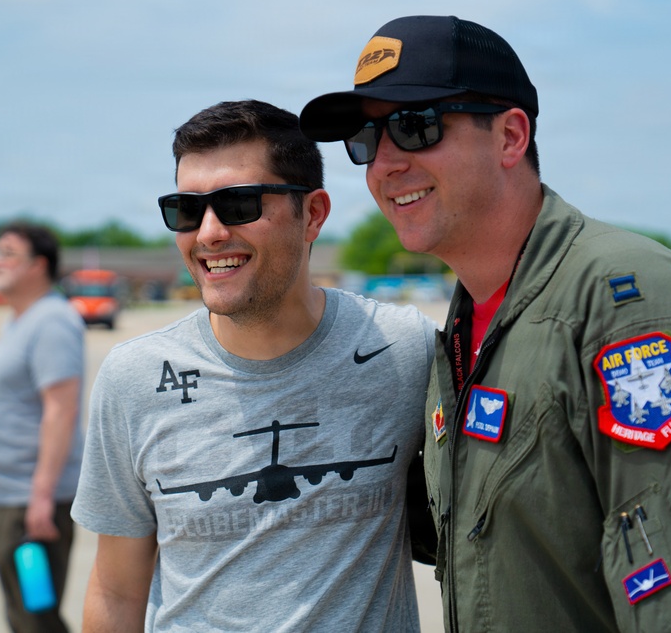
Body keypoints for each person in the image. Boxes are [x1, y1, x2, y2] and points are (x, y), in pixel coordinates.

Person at [299, 15, 671, 632]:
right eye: (365, 138)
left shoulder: (632, 309)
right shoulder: (467, 331)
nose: (383, 163)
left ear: (510, 137)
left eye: (415, 126)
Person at [70, 99, 437, 632]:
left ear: (313, 214)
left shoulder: (402, 349)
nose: (208, 233)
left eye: (238, 204)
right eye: (186, 210)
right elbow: (116, 589)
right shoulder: (135, 379)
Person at [0, 221, 86, 633]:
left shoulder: (52, 321)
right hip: (8, 497)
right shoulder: (22, 319)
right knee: (23, 614)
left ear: (37, 265)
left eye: (7, 253)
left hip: (29, 505)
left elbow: (61, 410)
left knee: (35, 617)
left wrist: (41, 497)